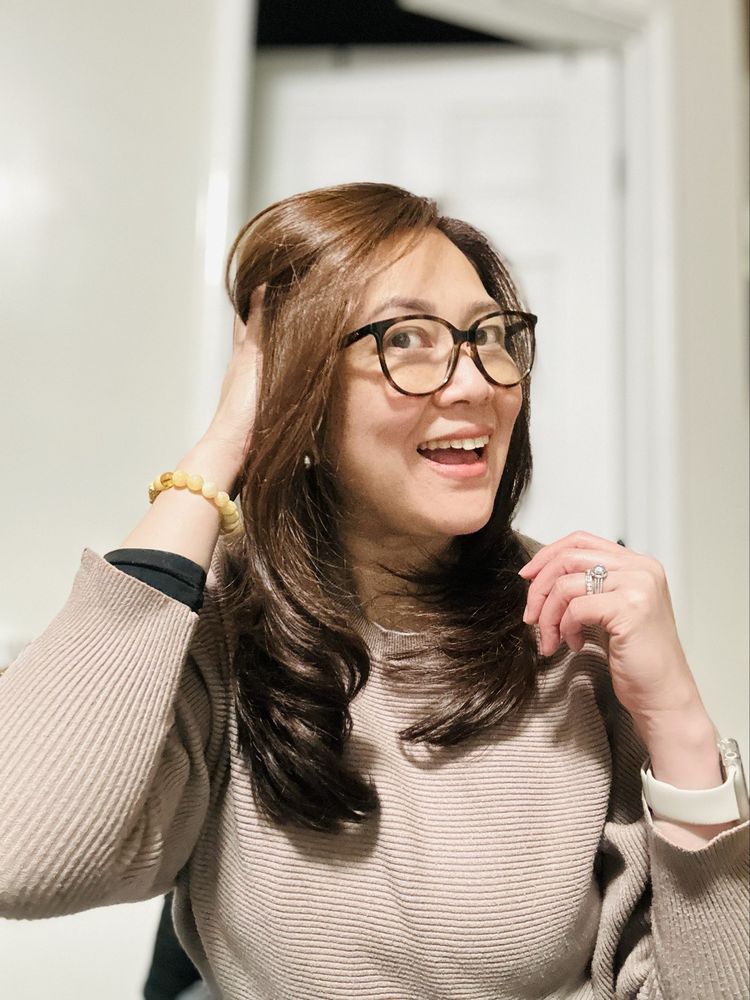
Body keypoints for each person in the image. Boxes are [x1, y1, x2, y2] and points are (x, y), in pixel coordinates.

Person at [0, 182, 747, 1000]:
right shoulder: (216, 629)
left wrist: (679, 719)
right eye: (407, 339)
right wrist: (222, 449)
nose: (475, 382)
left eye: (489, 335)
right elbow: (19, 856)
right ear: (303, 393)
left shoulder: (577, 628)